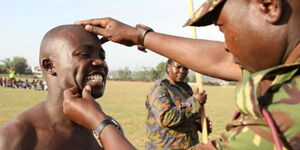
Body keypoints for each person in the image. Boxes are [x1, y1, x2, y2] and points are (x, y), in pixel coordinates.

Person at [64, 0, 300, 149]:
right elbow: (223, 59)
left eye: (222, 26)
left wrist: (101, 123)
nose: (226, 45)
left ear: (268, 6)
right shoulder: (285, 67)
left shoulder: (284, 116)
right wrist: (140, 36)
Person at [0, 24, 129, 150]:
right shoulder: (14, 138)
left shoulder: (109, 128)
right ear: (49, 65)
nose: (100, 62)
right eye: (84, 54)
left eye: (102, 56)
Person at [145, 59, 208, 149]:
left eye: (185, 68)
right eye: (178, 67)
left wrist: (200, 124)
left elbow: (189, 115)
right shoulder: (160, 88)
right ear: (168, 67)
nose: (182, 71)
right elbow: (165, 118)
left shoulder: (186, 88)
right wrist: (194, 101)